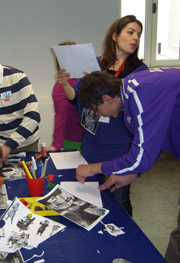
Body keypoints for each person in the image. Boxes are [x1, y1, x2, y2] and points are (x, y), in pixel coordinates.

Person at [76, 68, 180, 263]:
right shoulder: (130, 90)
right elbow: (155, 141)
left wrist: (91, 168)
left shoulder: (141, 95)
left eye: (96, 110)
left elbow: (140, 157)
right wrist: (134, 173)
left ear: (107, 98)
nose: (98, 115)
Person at [56, 15, 148, 216]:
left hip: (119, 147)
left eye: (139, 35)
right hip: (92, 143)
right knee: (91, 202)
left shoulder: (140, 71)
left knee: (119, 202)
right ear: (114, 36)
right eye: (130, 32)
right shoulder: (97, 64)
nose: (135, 39)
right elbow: (78, 98)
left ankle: (124, 242)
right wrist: (65, 84)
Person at [46, 40, 84, 153]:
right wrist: (57, 144)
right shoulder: (60, 86)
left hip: (94, 139)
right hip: (75, 141)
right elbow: (61, 116)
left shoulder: (88, 79)